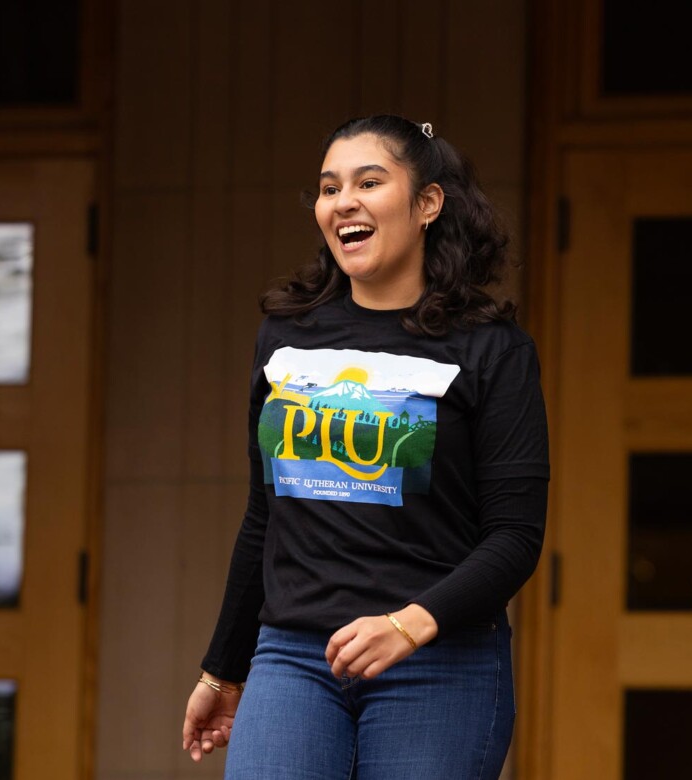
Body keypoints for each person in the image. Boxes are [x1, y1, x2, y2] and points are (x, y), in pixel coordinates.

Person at [180, 114, 550, 779]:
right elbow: (265, 517)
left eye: (369, 182)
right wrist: (223, 670)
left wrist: (410, 624)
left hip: (440, 664)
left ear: (428, 203)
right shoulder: (285, 338)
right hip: (294, 659)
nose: (343, 202)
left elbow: (514, 538)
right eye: (330, 188)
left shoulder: (493, 349)